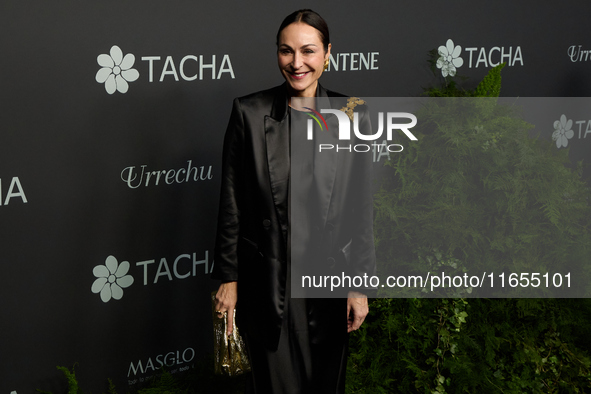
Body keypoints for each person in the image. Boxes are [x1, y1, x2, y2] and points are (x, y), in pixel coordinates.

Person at [212, 9, 375, 393]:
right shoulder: (249, 113)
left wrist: (360, 284)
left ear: (328, 53)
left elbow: (360, 206)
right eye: (286, 51)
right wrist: (228, 279)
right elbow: (231, 201)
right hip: (267, 283)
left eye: (308, 51)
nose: (296, 62)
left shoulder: (355, 113)